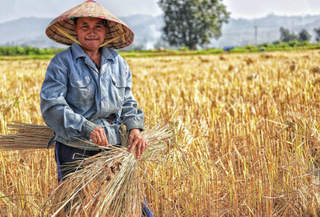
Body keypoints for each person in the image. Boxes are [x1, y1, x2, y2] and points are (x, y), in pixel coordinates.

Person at [40, 1, 153, 216]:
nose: (91, 32)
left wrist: (135, 128)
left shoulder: (118, 62)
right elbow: (52, 105)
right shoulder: (62, 63)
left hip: (113, 144)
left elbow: (128, 101)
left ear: (106, 31)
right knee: (75, 207)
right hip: (75, 146)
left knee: (133, 204)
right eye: (85, 26)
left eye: (97, 27)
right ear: (75, 30)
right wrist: (87, 128)